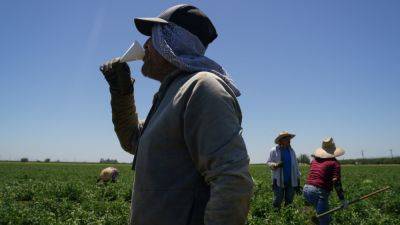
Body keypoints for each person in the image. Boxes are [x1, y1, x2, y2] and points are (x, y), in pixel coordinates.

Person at [99, 4, 253, 225]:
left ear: (171, 42)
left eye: (153, 37)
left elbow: (232, 181)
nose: (146, 46)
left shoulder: (201, 87)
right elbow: (132, 140)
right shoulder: (169, 94)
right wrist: (121, 92)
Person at [303, 137, 348, 225]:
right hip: (318, 191)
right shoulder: (335, 163)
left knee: (322, 214)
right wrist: (342, 200)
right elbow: (336, 182)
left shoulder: (314, 160)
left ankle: (318, 219)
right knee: (325, 220)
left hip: (306, 190)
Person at [267, 131, 301, 208]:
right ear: (281, 140)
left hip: (291, 180)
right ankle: (276, 217)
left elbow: (296, 166)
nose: (289, 140)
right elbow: (269, 163)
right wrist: (276, 165)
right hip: (278, 179)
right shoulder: (274, 150)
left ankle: (287, 217)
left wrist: (298, 179)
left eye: (289, 138)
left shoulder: (292, 151)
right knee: (277, 200)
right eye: (287, 138)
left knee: (289, 200)